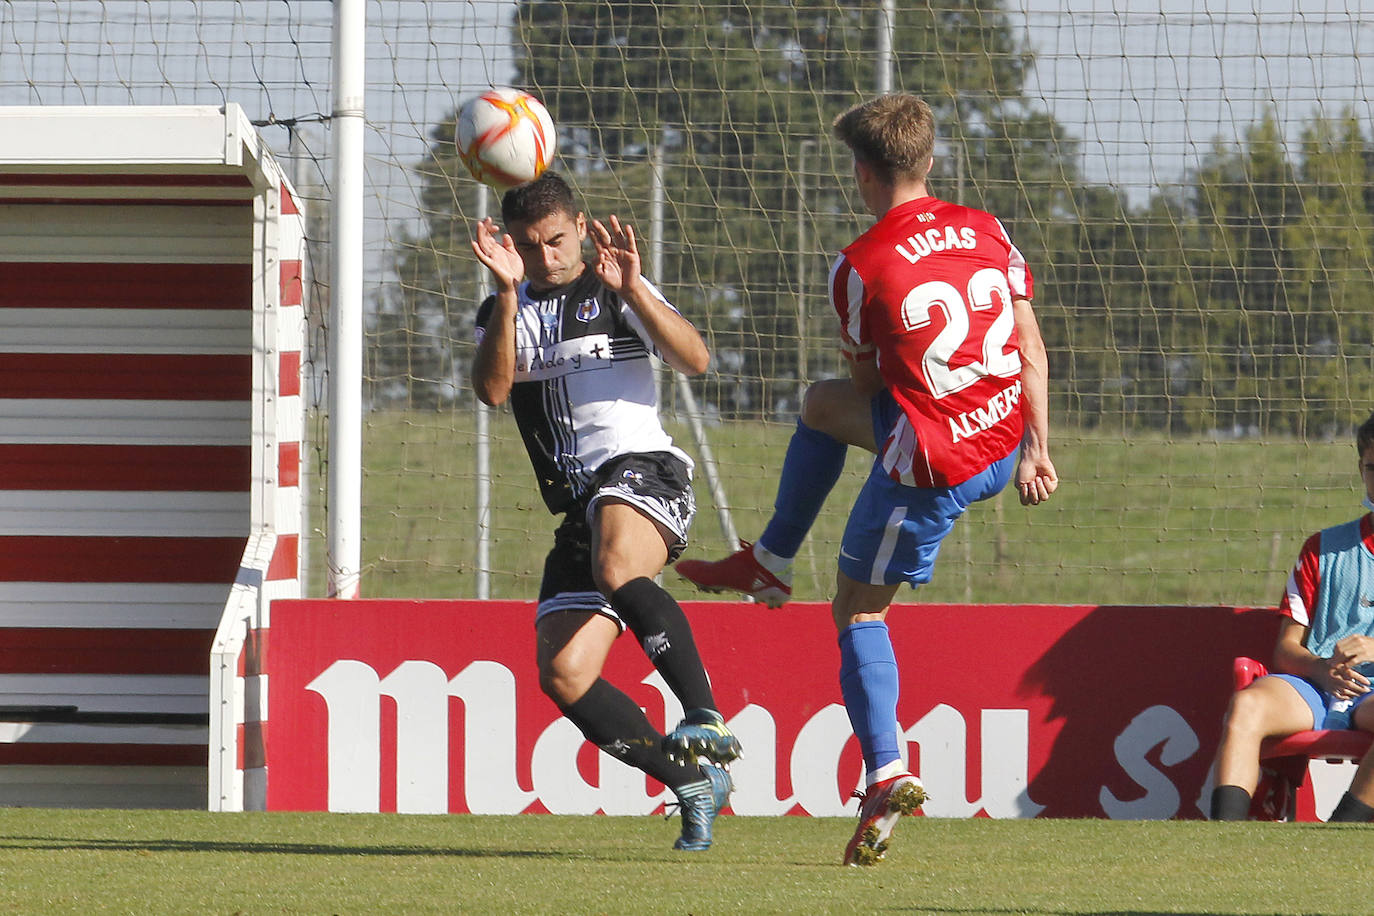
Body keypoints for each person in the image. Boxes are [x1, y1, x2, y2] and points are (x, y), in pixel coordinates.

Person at [678, 94, 1057, 864]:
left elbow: (875, 379)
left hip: (929, 468)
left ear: (862, 172)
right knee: (821, 408)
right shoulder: (989, 230)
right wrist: (1039, 451)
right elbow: (1030, 349)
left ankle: (885, 772)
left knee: (857, 611)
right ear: (927, 161)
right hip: (1003, 441)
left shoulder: (857, 266)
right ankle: (771, 562)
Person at [469, 171, 741, 851]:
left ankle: (703, 714)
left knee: (618, 560)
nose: (547, 257)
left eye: (557, 241)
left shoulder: (616, 291)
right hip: (581, 508)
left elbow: (696, 359)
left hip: (645, 474)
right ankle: (686, 778)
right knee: (563, 673)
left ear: (581, 229)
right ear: (512, 247)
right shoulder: (505, 309)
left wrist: (637, 294)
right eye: (530, 248)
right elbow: (494, 390)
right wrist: (506, 295)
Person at [1210, 412, 1374, 823]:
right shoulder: (1322, 548)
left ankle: (1338, 839)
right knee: (1247, 706)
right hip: (1313, 688)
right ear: (1361, 469)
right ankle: (1220, 843)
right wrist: (1322, 669)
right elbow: (1285, 648)